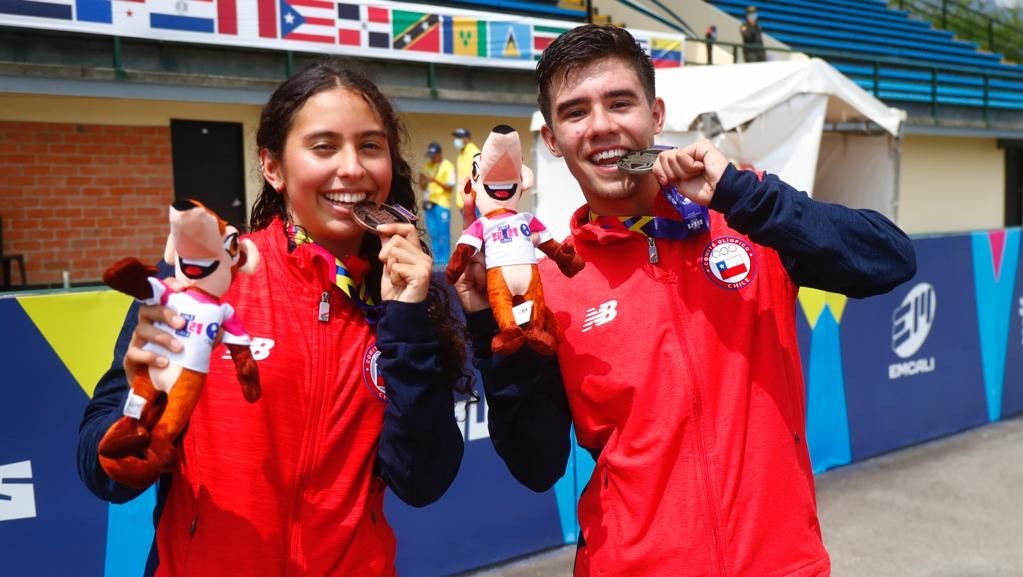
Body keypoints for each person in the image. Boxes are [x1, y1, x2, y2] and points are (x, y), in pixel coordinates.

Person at [450, 25, 916, 577]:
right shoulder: (552, 278)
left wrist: (744, 196)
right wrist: (487, 326)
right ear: (552, 141)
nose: (601, 126)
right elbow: (536, 463)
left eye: (619, 102)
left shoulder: (746, 215)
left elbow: (888, 259)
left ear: (656, 115)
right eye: (575, 112)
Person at [78, 60, 473, 577]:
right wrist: (139, 412)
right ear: (273, 166)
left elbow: (423, 481)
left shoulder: (408, 298)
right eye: (324, 146)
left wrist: (408, 323)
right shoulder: (206, 280)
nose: (352, 168)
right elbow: (100, 468)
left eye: (371, 146)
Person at [418, 142, 458, 266]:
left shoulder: (448, 166)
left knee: (443, 235)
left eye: (433, 155)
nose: (431, 157)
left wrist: (434, 180)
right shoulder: (427, 166)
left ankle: (444, 262)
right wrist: (423, 179)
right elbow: (422, 185)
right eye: (429, 155)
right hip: (429, 204)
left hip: (442, 204)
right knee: (433, 234)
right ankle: (436, 261)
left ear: (439, 153)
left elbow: (450, 187)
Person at [452, 127, 481, 223]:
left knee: (475, 231)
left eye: (459, 137)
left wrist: (469, 201)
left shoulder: (474, 152)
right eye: (456, 137)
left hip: (472, 201)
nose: (456, 140)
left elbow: (476, 178)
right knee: (469, 231)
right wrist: (461, 202)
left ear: (467, 138)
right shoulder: (461, 154)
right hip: (464, 202)